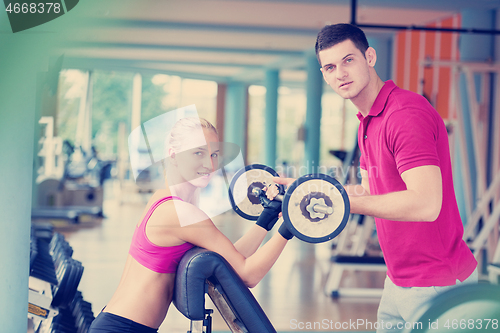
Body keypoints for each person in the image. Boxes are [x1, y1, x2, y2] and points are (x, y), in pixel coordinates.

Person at [270, 23, 477, 332]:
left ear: (370, 57)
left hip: (437, 282)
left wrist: (340, 204)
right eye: (329, 67)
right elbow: (369, 191)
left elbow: (426, 204)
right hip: (399, 280)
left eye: (348, 60)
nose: (339, 73)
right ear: (324, 75)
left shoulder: (404, 115)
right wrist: (306, 188)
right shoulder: (368, 121)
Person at [88, 117, 293, 333]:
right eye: (198, 153)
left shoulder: (166, 200)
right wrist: (289, 225)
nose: (210, 164)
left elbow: (229, 261)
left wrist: (268, 217)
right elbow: (248, 275)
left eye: (214, 154)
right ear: (174, 156)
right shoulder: (181, 214)